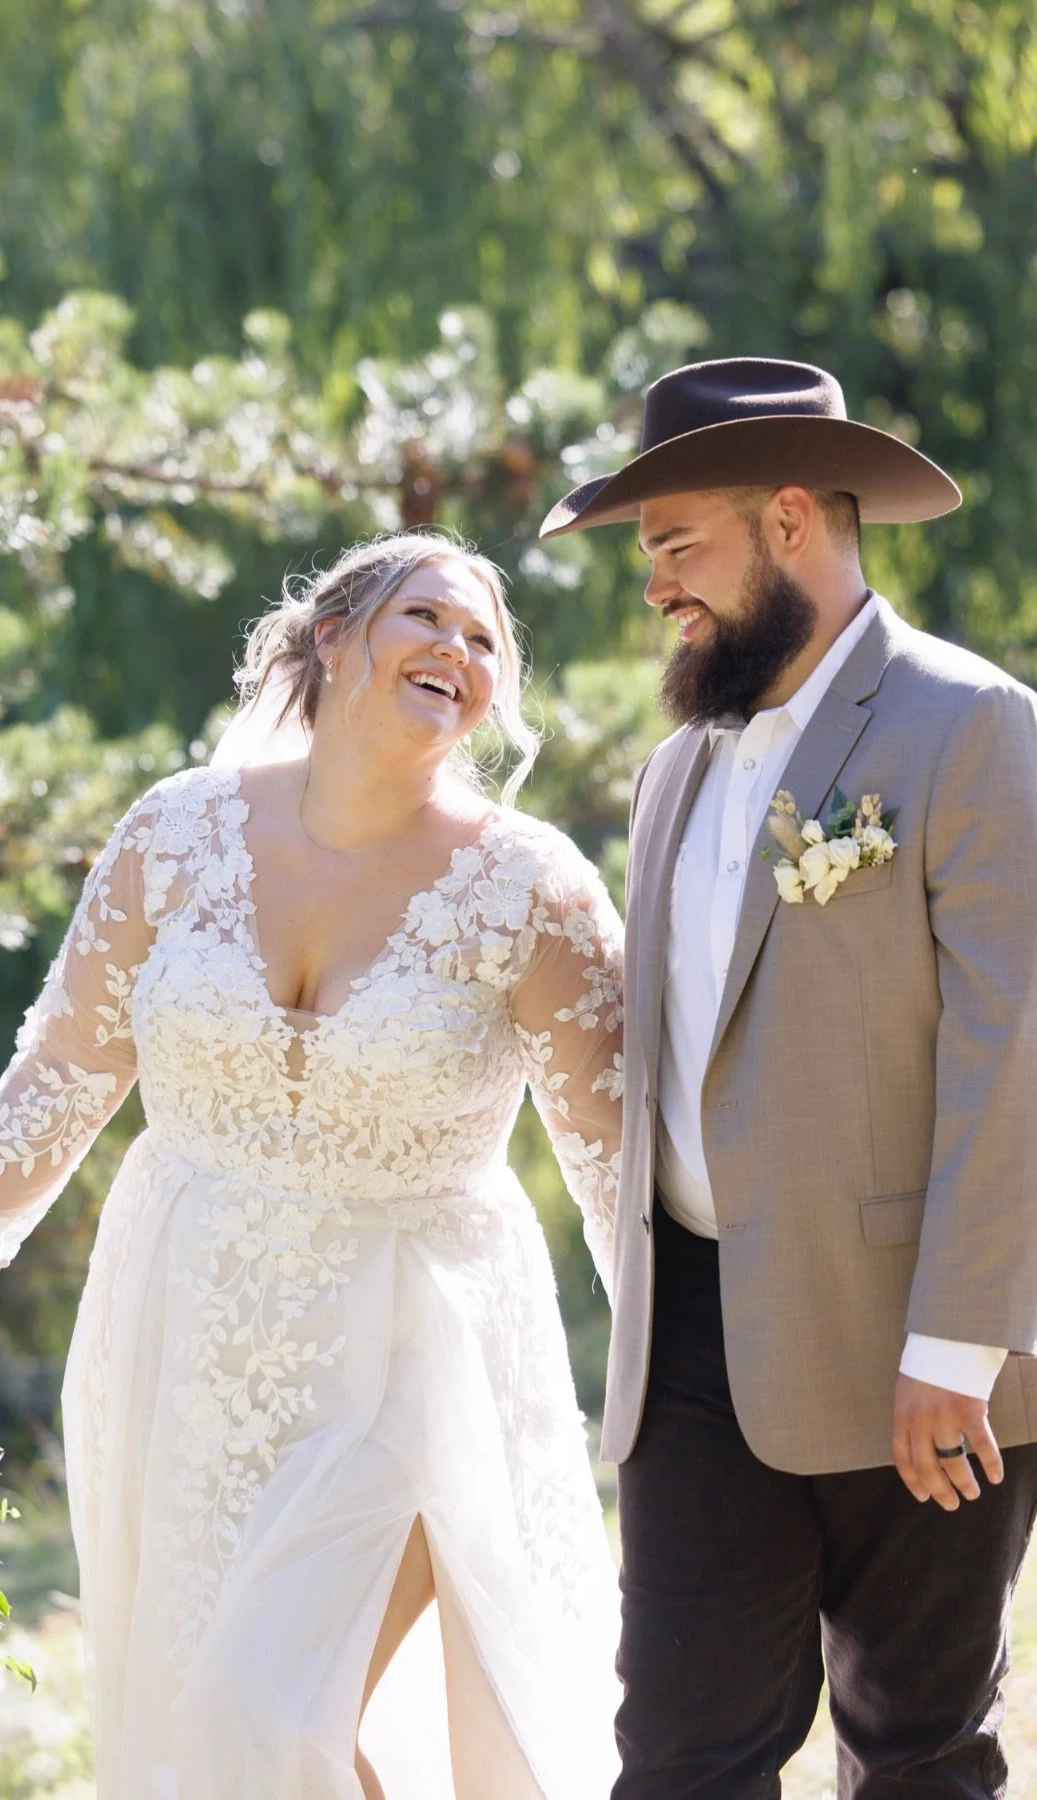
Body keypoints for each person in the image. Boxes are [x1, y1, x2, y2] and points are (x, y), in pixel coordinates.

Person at [0, 532, 626, 1800]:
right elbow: (61, 1077)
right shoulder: (176, 834)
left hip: (413, 1351)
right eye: (426, 616)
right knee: (221, 1747)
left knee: (259, 1714)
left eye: (486, 640)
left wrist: (695, 1397)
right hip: (190, 1328)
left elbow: (615, 1179)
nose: (459, 652)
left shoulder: (532, 892)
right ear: (331, 640)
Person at [541, 356, 1037, 1798]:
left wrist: (954, 1347)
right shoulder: (671, 772)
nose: (654, 589)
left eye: (674, 544)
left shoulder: (971, 725)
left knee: (915, 1755)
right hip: (692, 1342)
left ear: (793, 520)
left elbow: (1013, 1048)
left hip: (913, 1353)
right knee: (679, 1756)